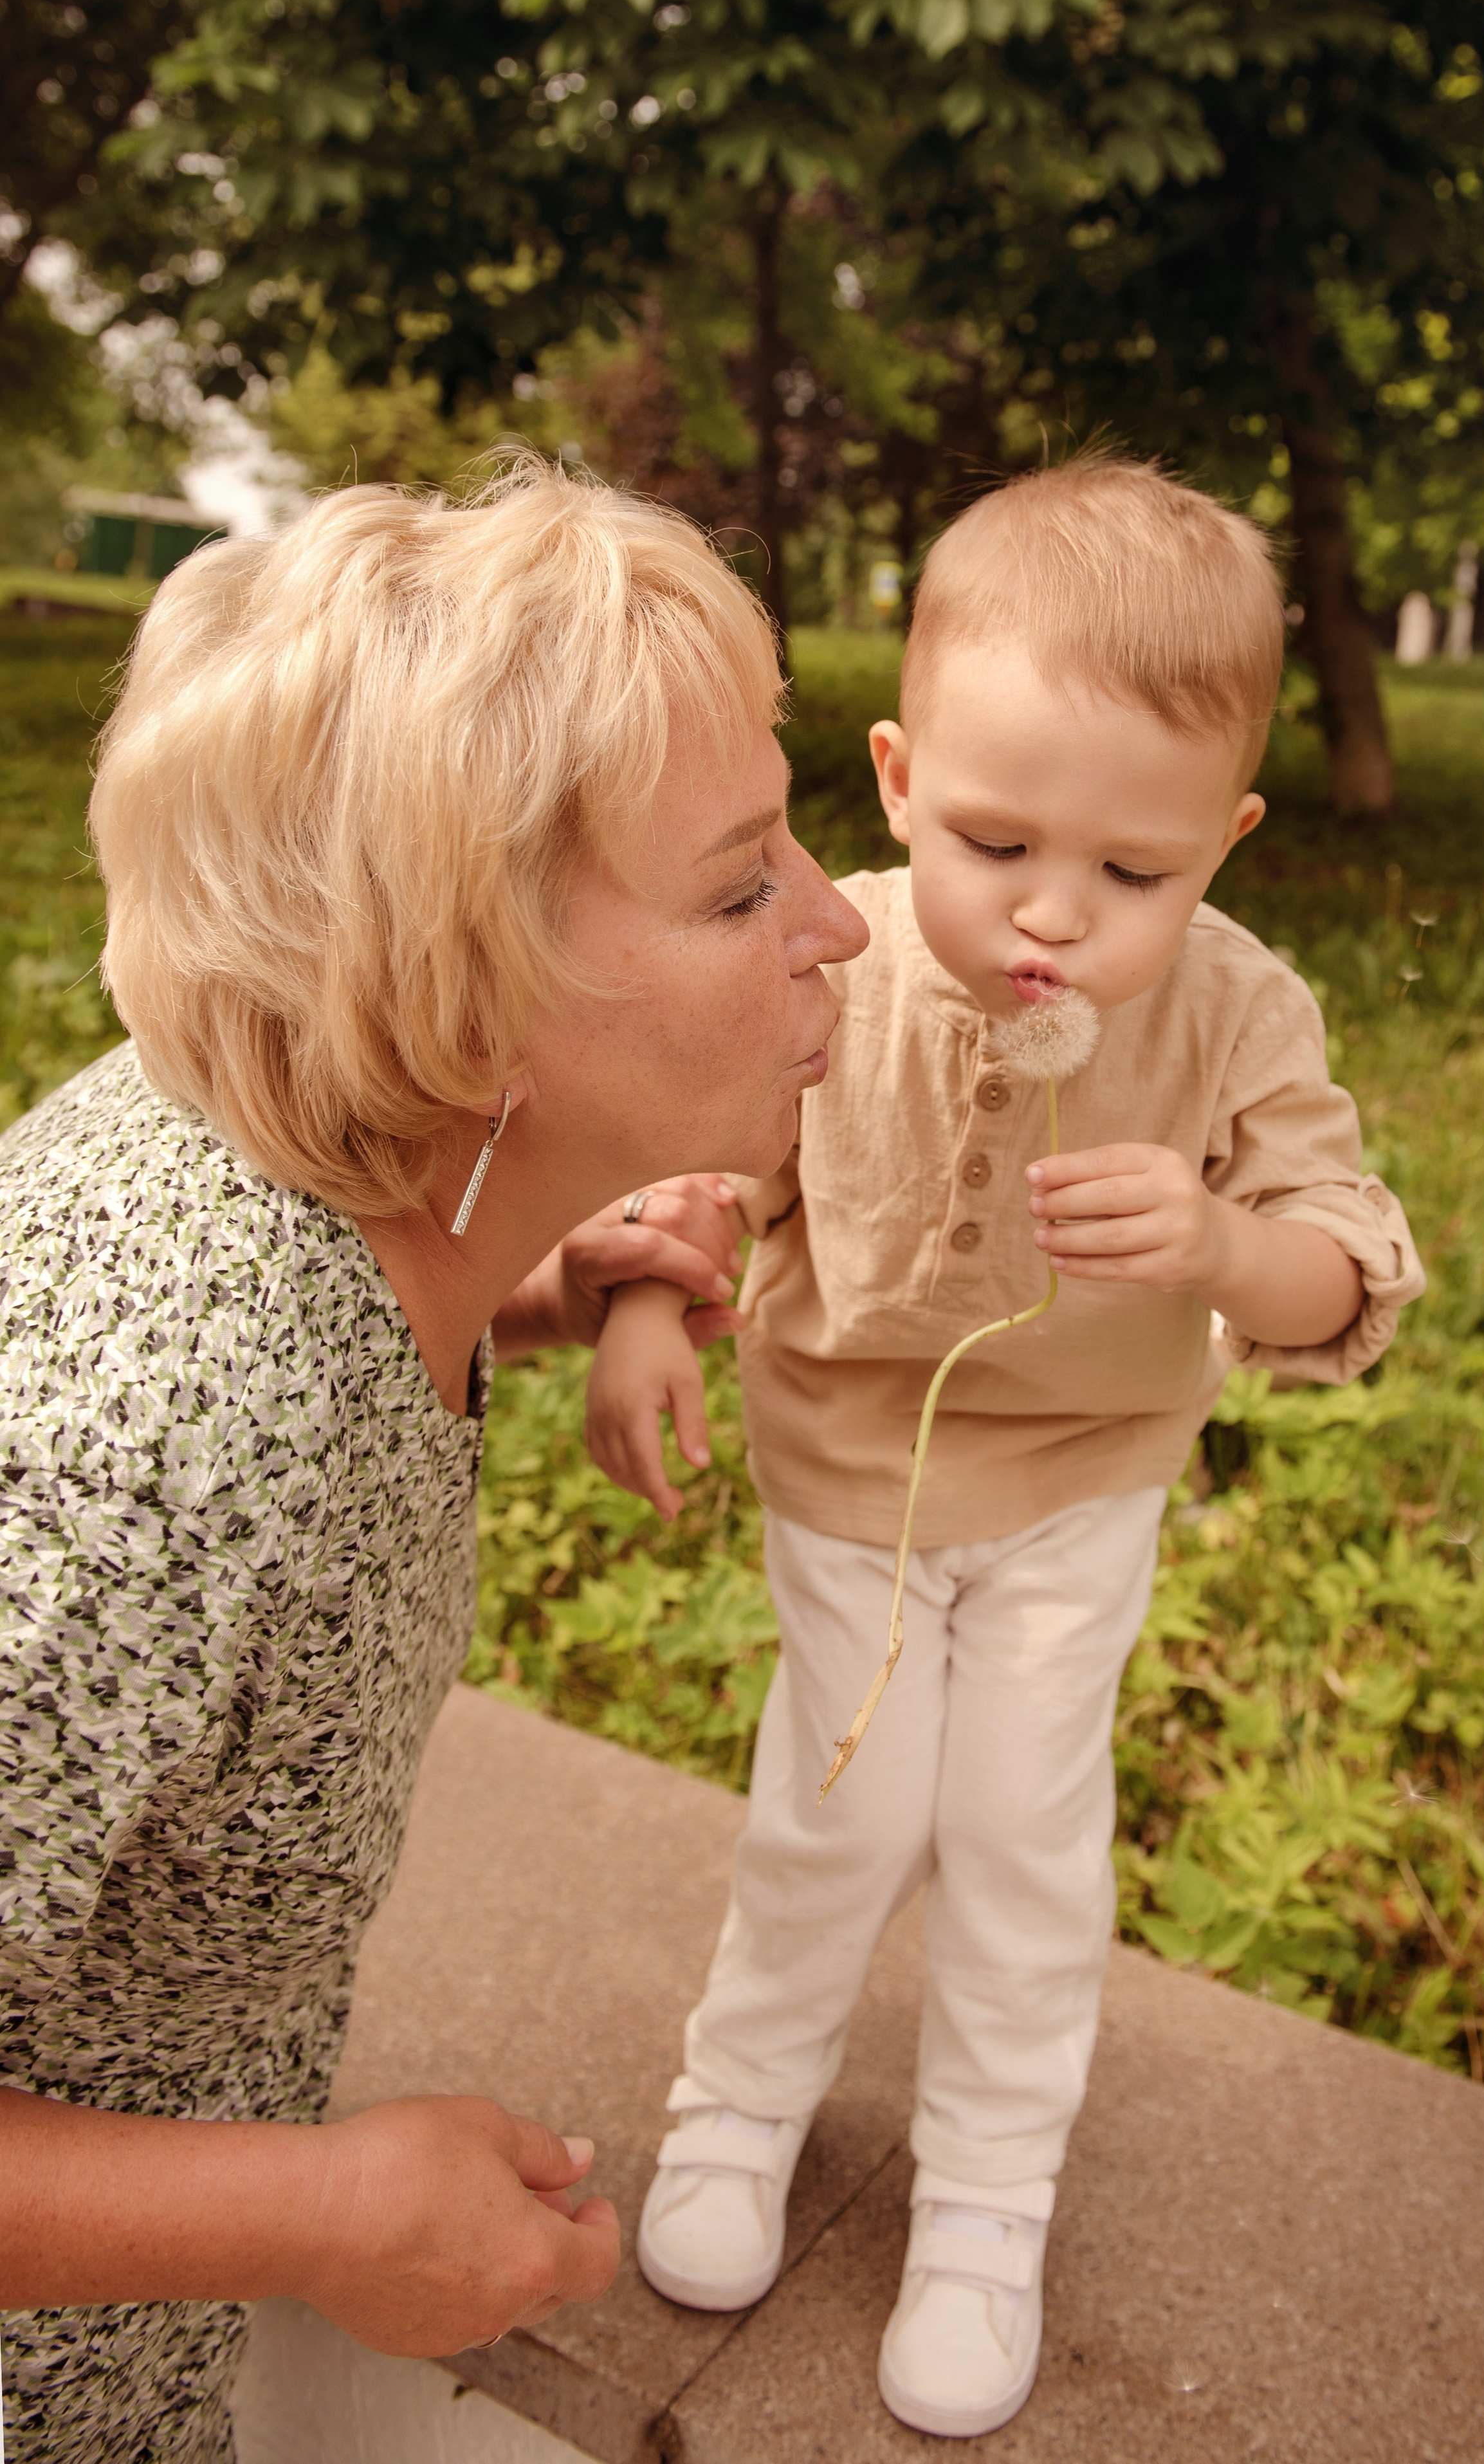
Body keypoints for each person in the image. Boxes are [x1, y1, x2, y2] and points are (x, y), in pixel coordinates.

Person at [0, 458, 868, 2464]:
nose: (834, 917)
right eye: (740, 886)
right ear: (466, 1003)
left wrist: (525, 1283)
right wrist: (318, 2214)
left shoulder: (300, 1134)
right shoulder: (163, 1439)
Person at [585, 455, 1427, 2439]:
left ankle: (981, 2199)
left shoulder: (1235, 1015)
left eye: (1133, 875)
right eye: (994, 839)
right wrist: (643, 1298)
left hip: (1077, 1482)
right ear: (894, 780)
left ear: (1221, 842)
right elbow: (714, 1169)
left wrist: (1230, 1245)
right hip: (846, 1470)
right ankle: (740, 2106)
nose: (1054, 914)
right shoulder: (833, 960)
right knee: (847, 1809)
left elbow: (1348, 1267)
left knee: (1024, 1844)